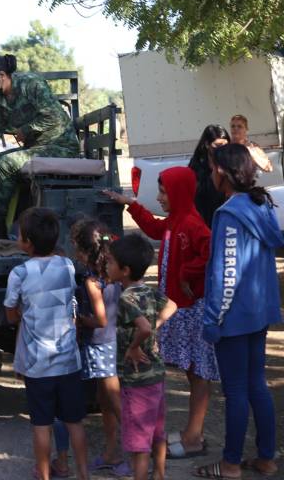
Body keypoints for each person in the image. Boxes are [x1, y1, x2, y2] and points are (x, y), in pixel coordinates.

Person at [104, 166, 218, 461]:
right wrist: (131, 205)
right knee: (192, 373)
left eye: (165, 192)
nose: (160, 197)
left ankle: (194, 437)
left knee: (198, 373)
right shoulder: (176, 220)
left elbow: (210, 252)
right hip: (181, 308)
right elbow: (154, 228)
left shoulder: (192, 223)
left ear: (179, 193)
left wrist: (186, 273)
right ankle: (194, 432)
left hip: (192, 310)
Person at [195, 143, 283, 479]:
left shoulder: (230, 213)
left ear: (224, 172)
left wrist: (213, 319)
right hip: (258, 313)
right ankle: (265, 458)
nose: (211, 172)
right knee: (256, 385)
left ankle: (230, 464)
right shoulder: (260, 205)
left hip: (233, 318)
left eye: (213, 167)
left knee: (236, 392)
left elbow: (226, 274)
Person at [4, 207, 89, 480]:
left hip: (38, 365)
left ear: (26, 241)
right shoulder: (67, 265)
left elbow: (10, 313)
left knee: (41, 425)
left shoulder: (19, 273)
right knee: (74, 422)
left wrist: (24, 317)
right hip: (68, 362)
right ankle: (84, 474)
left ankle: (43, 474)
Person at [0, 53, 80, 238]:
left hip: (60, 146)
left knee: (6, 162)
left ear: (1, 75)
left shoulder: (31, 84)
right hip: (35, 149)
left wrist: (26, 129)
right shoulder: (0, 103)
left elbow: (55, 117)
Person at [106, 233, 177, 480]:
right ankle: (159, 475)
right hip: (156, 375)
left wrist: (135, 345)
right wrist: (155, 324)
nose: (107, 266)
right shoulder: (147, 291)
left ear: (124, 270)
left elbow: (144, 328)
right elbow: (172, 306)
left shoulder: (127, 298)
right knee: (158, 433)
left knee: (139, 444)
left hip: (136, 381)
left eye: (110, 263)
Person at [69, 219, 125, 472]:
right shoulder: (113, 273)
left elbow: (100, 319)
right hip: (112, 342)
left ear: (83, 252)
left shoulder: (92, 282)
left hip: (101, 345)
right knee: (105, 400)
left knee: (114, 402)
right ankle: (112, 452)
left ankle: (138, 452)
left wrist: (79, 319)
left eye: (75, 248)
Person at [188, 125, 229, 228]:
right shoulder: (197, 165)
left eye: (225, 145)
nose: (222, 149)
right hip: (205, 217)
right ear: (207, 144)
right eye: (218, 145)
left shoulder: (230, 161)